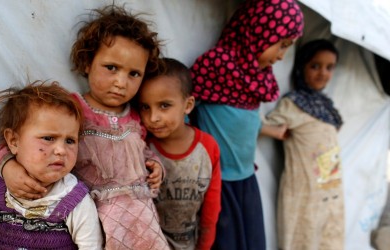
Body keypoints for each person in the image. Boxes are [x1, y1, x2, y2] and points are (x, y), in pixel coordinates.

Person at [0, 5, 170, 249]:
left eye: (134, 74)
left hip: (140, 215)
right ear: (87, 63)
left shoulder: (137, 116)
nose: (121, 82)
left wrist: (155, 166)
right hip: (94, 216)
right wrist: (8, 168)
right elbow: (22, 141)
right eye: (111, 68)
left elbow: (141, 152)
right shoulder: (71, 108)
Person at [188, 0, 304, 249]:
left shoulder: (256, 75)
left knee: (252, 242)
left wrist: (270, 130)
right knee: (225, 242)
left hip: (246, 177)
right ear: (258, 31)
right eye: (280, 45)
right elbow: (184, 112)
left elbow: (240, 120)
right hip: (219, 180)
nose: (282, 55)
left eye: (287, 48)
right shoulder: (215, 66)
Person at [0, 81, 103, 249]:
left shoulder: (76, 200)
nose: (61, 150)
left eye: (70, 141)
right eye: (48, 138)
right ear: (14, 141)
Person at [261, 39, 344, 250]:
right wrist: (276, 131)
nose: (322, 73)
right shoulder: (293, 104)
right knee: (303, 239)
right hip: (303, 194)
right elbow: (261, 125)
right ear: (301, 67)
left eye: (329, 67)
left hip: (330, 192)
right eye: (315, 66)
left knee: (328, 240)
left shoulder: (327, 107)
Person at [138, 58, 222, 250]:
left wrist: (204, 247)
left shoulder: (207, 148)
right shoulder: (143, 146)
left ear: (188, 105)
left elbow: (211, 209)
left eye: (164, 106)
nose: (153, 118)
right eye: (145, 107)